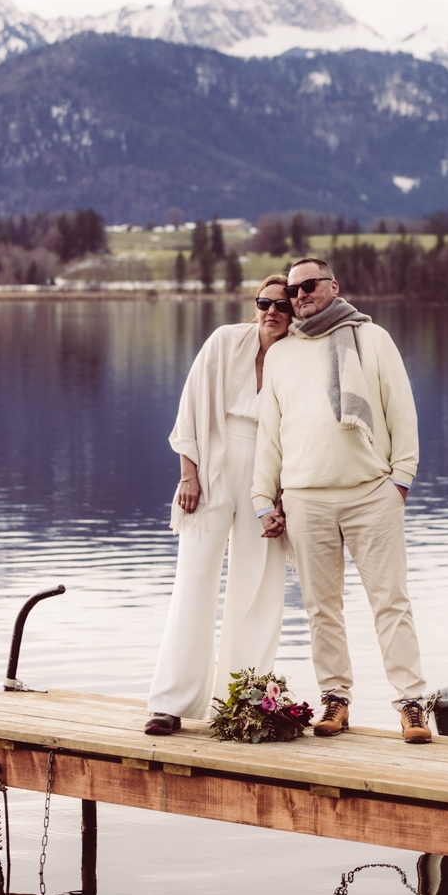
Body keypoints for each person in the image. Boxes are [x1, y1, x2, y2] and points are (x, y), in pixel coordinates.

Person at [252, 257, 431, 743]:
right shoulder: (283, 354)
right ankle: (336, 701)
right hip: (306, 498)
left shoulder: (371, 338)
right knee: (320, 607)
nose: (301, 295)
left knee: (390, 602)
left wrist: (401, 480)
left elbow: (402, 409)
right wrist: (262, 497)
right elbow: (270, 434)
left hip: (372, 493)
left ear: (334, 285)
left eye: (309, 285)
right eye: (293, 290)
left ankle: (412, 704)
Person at [145, 275, 293, 735]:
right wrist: (188, 475)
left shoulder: (300, 356)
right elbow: (190, 408)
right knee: (194, 578)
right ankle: (170, 702)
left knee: (260, 587)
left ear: (295, 312)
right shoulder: (224, 341)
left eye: (282, 305)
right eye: (263, 302)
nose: (271, 311)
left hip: (270, 475)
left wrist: (284, 497)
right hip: (211, 467)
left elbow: (306, 430)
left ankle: (241, 702)